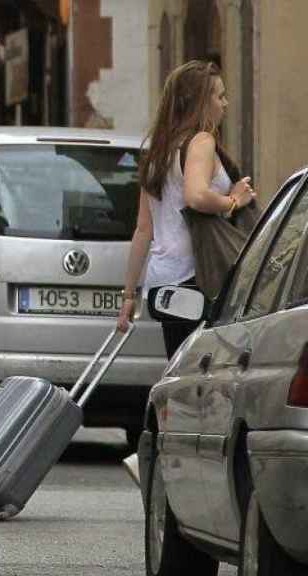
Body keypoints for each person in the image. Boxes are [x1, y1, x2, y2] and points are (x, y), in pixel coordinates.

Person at [115, 60, 256, 482]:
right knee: (205, 381)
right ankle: (165, 458)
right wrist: (234, 200)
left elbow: (143, 230)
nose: (225, 103)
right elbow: (196, 196)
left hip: (163, 281)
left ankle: (159, 456)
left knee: (178, 374)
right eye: (219, 95)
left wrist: (128, 295)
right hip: (198, 281)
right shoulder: (200, 141)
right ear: (200, 102)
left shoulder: (158, 149)